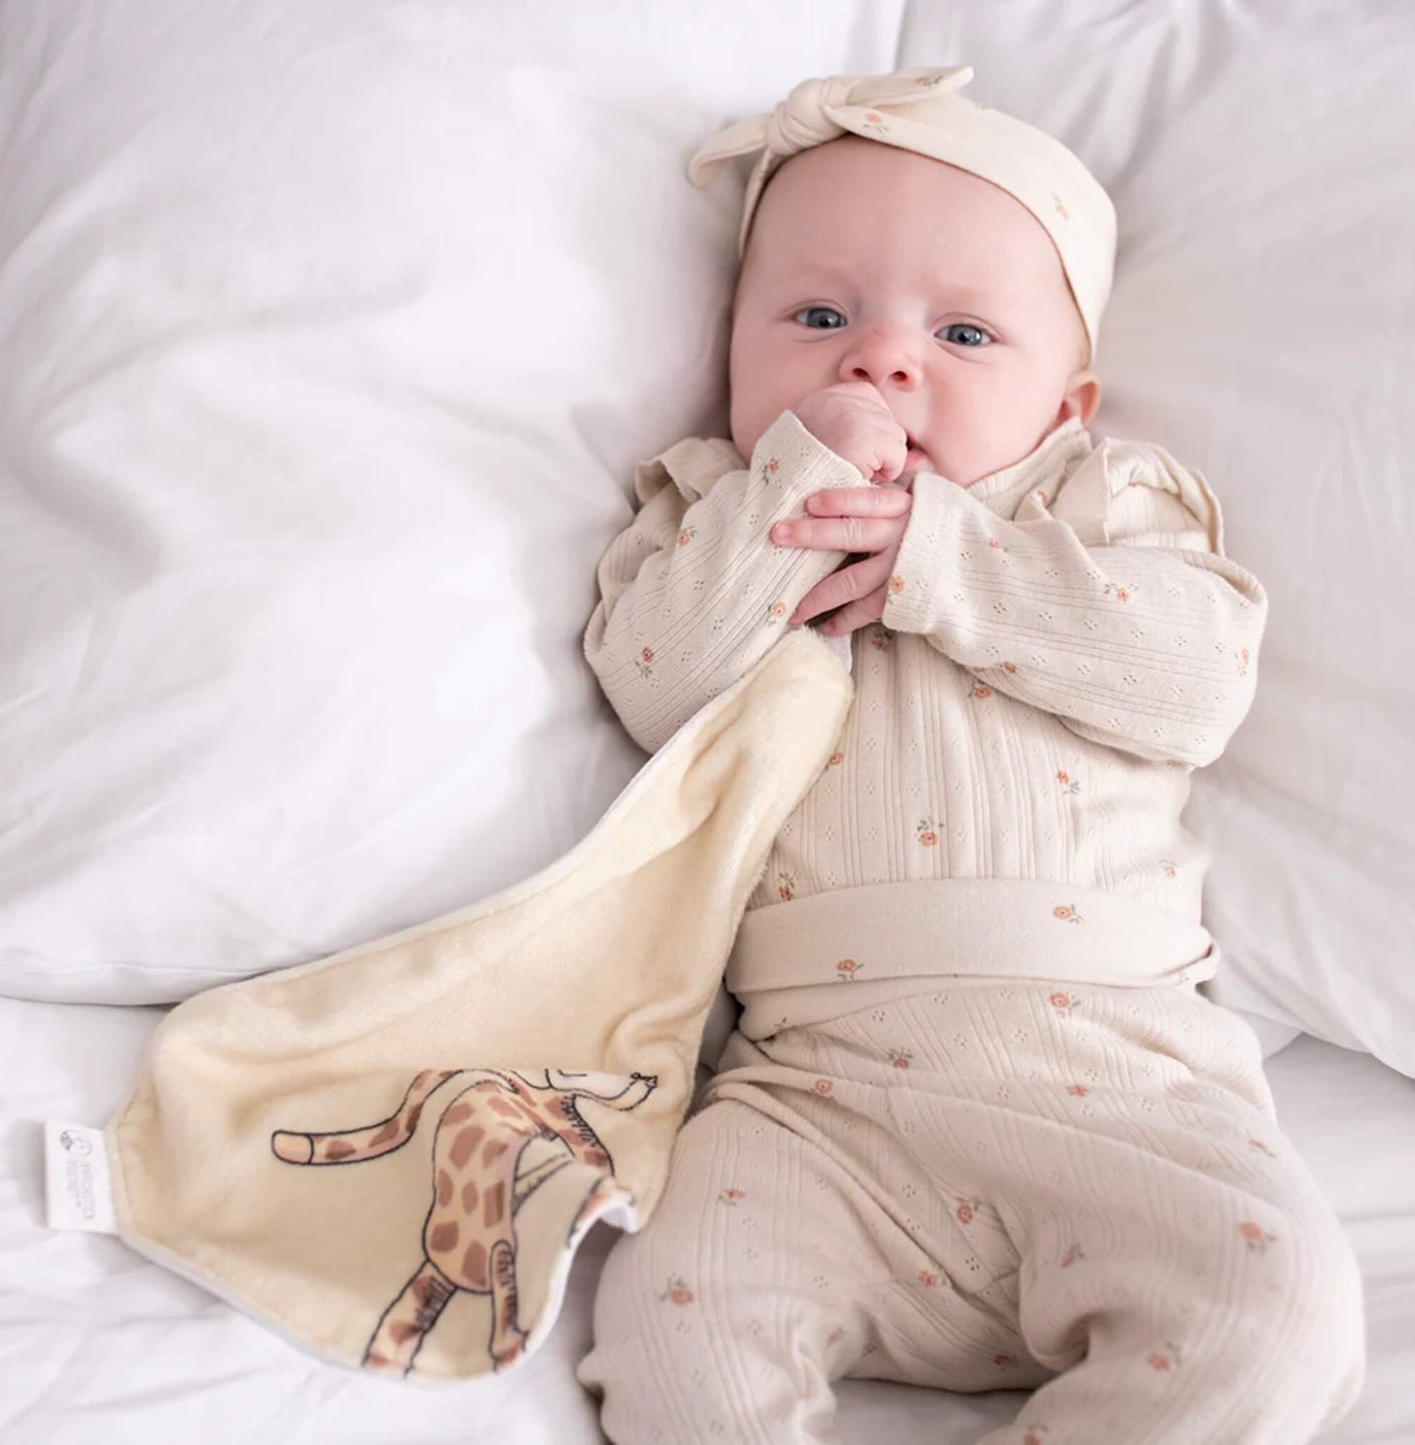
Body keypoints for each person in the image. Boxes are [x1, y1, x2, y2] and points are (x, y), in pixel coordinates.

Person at [576, 65, 1364, 1445]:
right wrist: (789, 491)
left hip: (1127, 1082)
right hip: (816, 1098)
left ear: (1067, 404)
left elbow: (1191, 687)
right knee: (675, 1334)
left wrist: (945, 557)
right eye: (816, 316)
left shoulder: (1102, 505)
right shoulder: (712, 509)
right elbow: (653, 685)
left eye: (963, 331)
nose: (879, 360)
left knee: (1280, 1310)